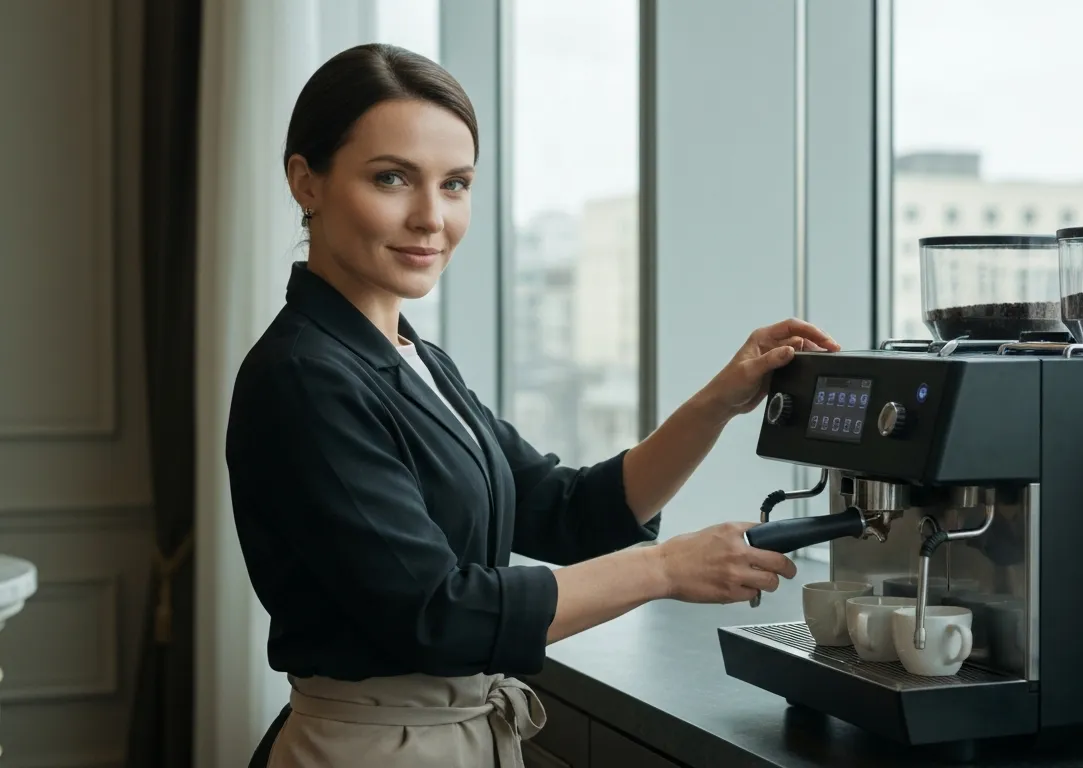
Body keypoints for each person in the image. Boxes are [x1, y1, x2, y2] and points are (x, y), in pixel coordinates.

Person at [225, 43, 840, 768]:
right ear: (307, 182)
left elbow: (567, 510)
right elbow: (439, 614)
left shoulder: (413, 359)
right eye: (392, 178)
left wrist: (718, 401)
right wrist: (665, 570)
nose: (431, 217)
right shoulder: (303, 376)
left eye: (455, 185)